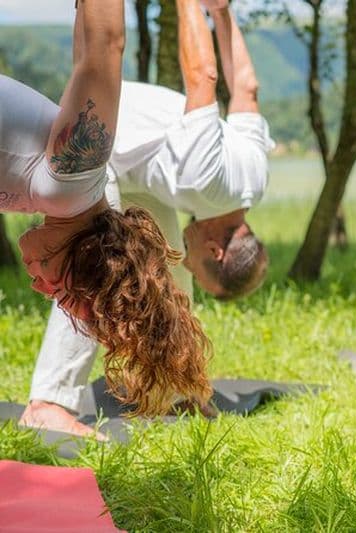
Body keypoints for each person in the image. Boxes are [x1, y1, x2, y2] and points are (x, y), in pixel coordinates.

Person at [19, 0, 274, 437]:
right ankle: (49, 401)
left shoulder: (254, 177)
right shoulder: (205, 179)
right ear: (216, 249)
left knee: (167, 276)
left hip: (142, 165)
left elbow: (246, 87)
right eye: (202, 266)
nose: (193, 261)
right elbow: (203, 76)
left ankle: (177, 389)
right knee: (93, 272)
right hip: (99, 149)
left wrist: (224, 14)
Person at [3, 1, 211, 422]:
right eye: (61, 289)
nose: (42, 289)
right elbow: (102, 47)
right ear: (85, 256)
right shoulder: (72, 178)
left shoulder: (58, 192)